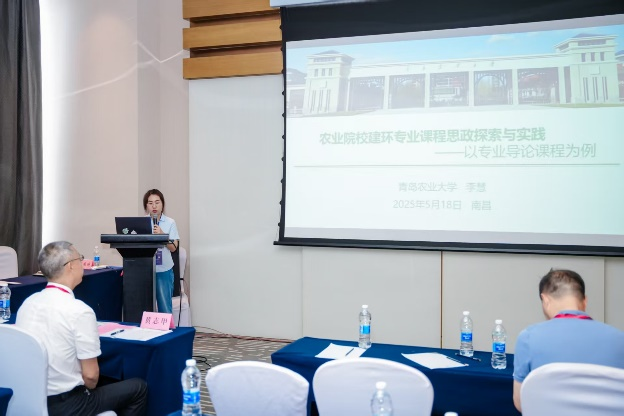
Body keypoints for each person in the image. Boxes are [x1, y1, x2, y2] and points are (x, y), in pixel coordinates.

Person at [16, 241, 148, 416]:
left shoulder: (28, 303)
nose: (83, 264)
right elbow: (91, 377)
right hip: (67, 405)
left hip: (30, 398)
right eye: (80, 259)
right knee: (138, 388)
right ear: (70, 266)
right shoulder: (79, 311)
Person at [512, 269, 624, 412]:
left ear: (545, 300)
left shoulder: (528, 338)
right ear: (585, 301)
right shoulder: (620, 340)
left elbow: (521, 403)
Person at [143, 188, 180, 314]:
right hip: (145, 270)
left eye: (157, 202)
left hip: (164, 270)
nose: (154, 206)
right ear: (146, 206)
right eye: (150, 203)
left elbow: (174, 247)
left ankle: (167, 327)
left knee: (164, 309)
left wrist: (163, 235)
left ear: (162, 204)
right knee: (145, 309)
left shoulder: (170, 222)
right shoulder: (142, 222)